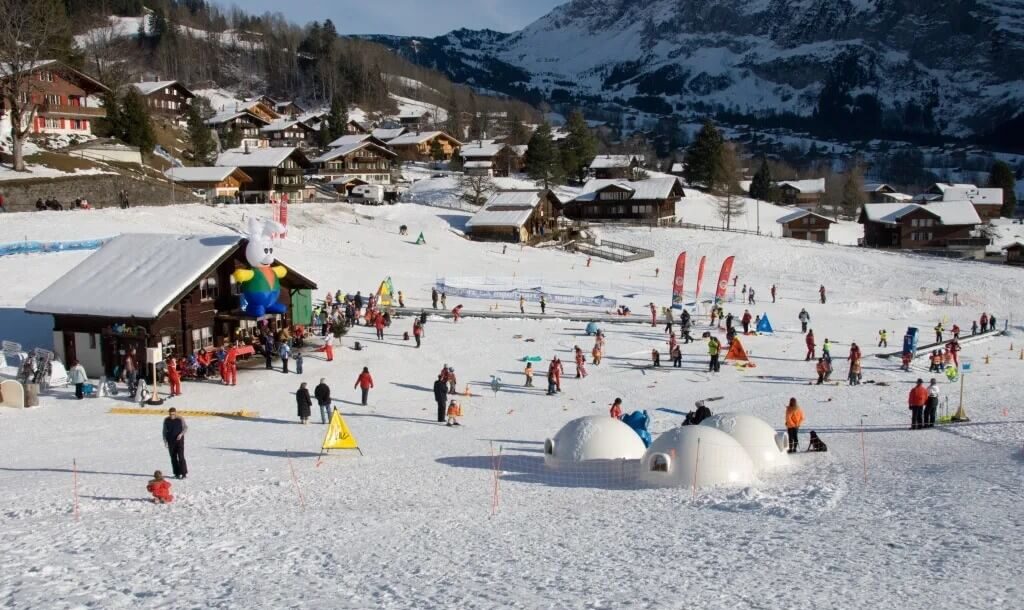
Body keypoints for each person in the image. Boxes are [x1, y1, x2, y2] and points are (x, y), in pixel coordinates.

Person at [162, 408, 188, 479]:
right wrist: (165, 441)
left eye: (173, 414)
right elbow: (164, 431)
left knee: (181, 457)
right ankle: (176, 473)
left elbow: (185, 428)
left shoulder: (180, 419)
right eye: (170, 414)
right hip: (170, 441)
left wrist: (181, 434)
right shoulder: (166, 420)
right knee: (173, 458)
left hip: (179, 441)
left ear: (175, 413)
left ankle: (183, 473)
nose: (172, 416)